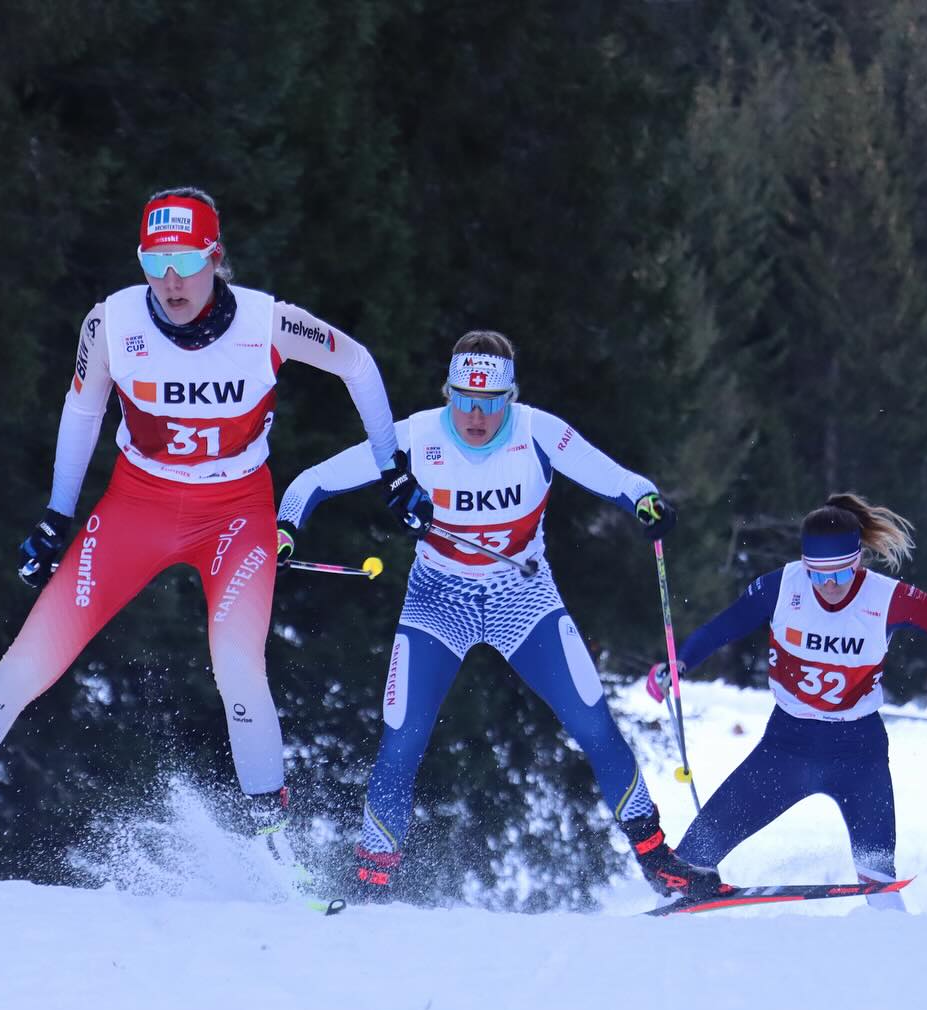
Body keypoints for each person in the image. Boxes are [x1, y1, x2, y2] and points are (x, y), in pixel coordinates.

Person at [0, 186, 431, 873]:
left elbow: (356, 363)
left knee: (239, 668)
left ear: (215, 258)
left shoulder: (268, 323)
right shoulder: (110, 324)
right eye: (154, 259)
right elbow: (82, 414)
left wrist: (394, 471)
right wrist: (57, 517)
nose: (170, 280)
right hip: (136, 510)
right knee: (27, 663)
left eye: (185, 259)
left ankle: (272, 848)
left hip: (236, 516)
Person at [275, 329, 721, 900]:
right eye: (463, 399)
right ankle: (373, 878)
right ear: (449, 393)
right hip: (439, 600)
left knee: (593, 723)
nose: (476, 415)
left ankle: (660, 861)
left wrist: (646, 501)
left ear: (511, 398)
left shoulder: (539, 432)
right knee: (402, 737)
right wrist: (286, 530)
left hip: (522, 598)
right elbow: (311, 482)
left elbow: (618, 479)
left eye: (490, 403)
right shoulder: (415, 436)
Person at [645, 493, 927, 907]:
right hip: (786, 748)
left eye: (841, 574)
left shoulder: (887, 598)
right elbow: (721, 628)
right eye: (817, 575)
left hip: (859, 754)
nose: (829, 586)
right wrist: (680, 663)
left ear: (858, 562)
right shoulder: (781, 586)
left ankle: (897, 957)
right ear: (804, 565)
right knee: (684, 868)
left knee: (880, 887)